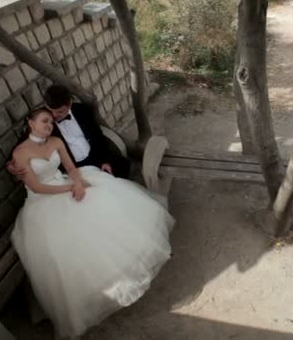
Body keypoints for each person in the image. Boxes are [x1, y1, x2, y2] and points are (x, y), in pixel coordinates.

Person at [10, 108, 174, 338]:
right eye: (44, 121)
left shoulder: (55, 141)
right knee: (68, 240)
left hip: (67, 183)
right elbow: (37, 187)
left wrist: (77, 182)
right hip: (43, 199)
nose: (49, 125)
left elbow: (70, 168)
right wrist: (71, 187)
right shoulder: (20, 153)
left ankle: (123, 268)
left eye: (50, 122)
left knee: (104, 205)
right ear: (31, 123)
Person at [7, 84, 130, 180]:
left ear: (70, 103)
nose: (54, 115)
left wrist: (104, 161)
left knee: (121, 166)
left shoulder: (83, 110)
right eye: (51, 110)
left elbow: (98, 137)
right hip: (71, 167)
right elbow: (23, 142)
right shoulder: (42, 119)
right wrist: (10, 163)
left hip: (94, 158)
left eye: (60, 111)